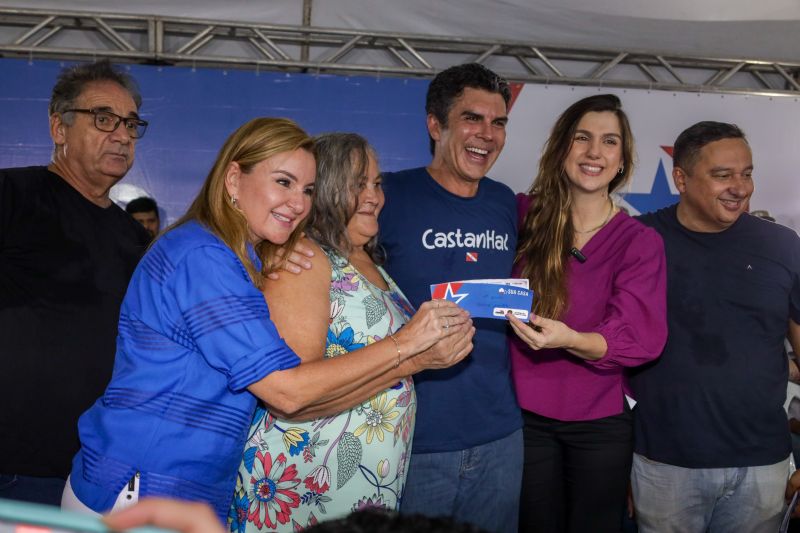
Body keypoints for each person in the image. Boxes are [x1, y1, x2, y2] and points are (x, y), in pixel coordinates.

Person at [63, 118, 471, 524]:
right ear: (233, 180)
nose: (298, 202)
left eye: (308, 190)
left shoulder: (234, 256)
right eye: (283, 182)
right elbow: (287, 393)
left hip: (187, 489)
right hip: (142, 487)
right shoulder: (202, 257)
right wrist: (409, 350)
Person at [229, 133, 475, 532]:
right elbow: (293, 400)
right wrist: (412, 355)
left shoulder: (366, 258)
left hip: (362, 487)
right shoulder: (306, 259)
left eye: (376, 184)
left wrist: (427, 353)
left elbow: (387, 363)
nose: (373, 195)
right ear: (325, 189)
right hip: (306, 483)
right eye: (357, 183)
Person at [505, 94, 667, 532]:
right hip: (523, 417)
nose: (595, 152)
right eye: (583, 138)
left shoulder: (639, 240)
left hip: (600, 423)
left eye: (609, 142)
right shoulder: (522, 215)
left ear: (621, 162)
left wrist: (569, 339)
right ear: (562, 149)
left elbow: (637, 337)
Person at [629, 121, 800, 532]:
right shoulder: (639, 239)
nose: (740, 187)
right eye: (722, 175)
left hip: (762, 465)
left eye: (747, 173)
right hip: (662, 464)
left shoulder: (783, 245)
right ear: (681, 179)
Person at [378, 63, 523, 532]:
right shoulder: (387, 196)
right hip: (414, 439)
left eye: (498, 122)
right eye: (472, 118)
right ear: (435, 124)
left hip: (501, 434)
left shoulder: (505, 202)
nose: (487, 134)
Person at [0, 60, 150, 505]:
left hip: (95, 476)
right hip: (13, 469)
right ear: (58, 128)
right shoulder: (12, 197)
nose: (122, 135)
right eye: (103, 119)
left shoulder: (137, 240)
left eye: (131, 124)